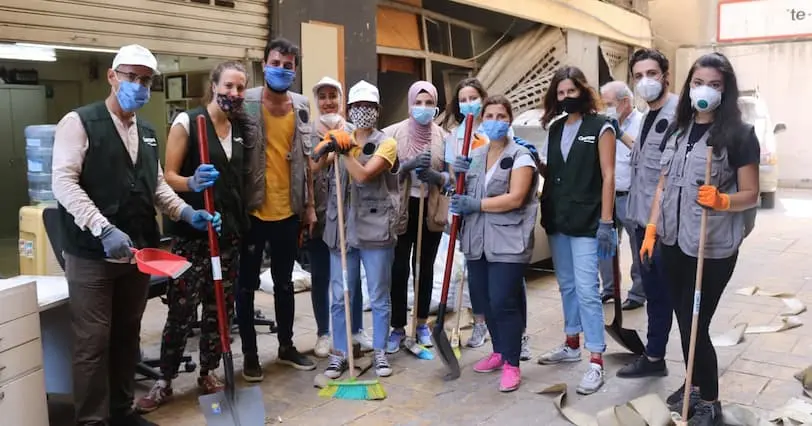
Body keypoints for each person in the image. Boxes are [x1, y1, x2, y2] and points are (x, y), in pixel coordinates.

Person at [51, 44, 221, 426]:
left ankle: (122, 410)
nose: (139, 86)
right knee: (93, 341)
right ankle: (92, 420)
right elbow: (63, 183)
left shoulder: (145, 130)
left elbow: (156, 186)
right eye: (132, 77)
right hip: (92, 254)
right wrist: (102, 227)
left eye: (146, 80)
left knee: (128, 334)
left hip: (138, 253)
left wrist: (187, 211)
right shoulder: (79, 122)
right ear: (113, 77)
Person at [642, 52, 759, 425]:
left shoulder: (739, 135)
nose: (704, 90)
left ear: (725, 90)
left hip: (712, 248)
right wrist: (651, 229)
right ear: (688, 86)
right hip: (673, 243)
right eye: (698, 83)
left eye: (713, 84)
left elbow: (751, 193)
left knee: (696, 325)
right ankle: (693, 385)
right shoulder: (678, 129)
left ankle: (709, 400)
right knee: (683, 320)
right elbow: (662, 184)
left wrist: (723, 199)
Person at [135, 61, 257, 412]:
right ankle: (165, 381)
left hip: (228, 234)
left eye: (240, 88)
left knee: (220, 309)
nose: (234, 94)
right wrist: (190, 183)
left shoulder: (237, 128)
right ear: (213, 85)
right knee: (181, 311)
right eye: (228, 86)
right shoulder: (188, 122)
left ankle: (207, 372)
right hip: (192, 235)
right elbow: (166, 176)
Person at [238, 37, 317, 380]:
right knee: (246, 284)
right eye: (276, 63)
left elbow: (306, 160)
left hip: (288, 210)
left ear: (295, 70)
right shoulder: (247, 102)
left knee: (285, 283)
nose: (281, 70)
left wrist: (310, 206)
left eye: (288, 66)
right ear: (264, 63)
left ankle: (286, 347)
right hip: (252, 211)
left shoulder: (300, 106)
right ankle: (251, 355)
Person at [536, 65, 617, 395]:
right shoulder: (555, 129)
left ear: (584, 91)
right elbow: (556, 171)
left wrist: (607, 222)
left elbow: (609, 176)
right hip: (558, 218)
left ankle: (595, 359)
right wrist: (535, 163)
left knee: (587, 289)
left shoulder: (602, 127)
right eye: (560, 93)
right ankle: (571, 344)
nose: (566, 97)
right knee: (567, 285)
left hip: (587, 222)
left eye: (571, 91)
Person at [450, 95, 538, 392]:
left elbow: (515, 198)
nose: (495, 121)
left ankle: (512, 363)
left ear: (509, 120)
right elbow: (460, 190)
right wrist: (455, 172)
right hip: (477, 241)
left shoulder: (521, 155)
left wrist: (475, 204)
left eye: (501, 116)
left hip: (508, 242)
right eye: (489, 116)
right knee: (484, 302)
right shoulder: (476, 155)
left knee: (503, 301)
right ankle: (499, 351)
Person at [312, 80, 400, 379]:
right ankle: (339, 353)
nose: (363, 111)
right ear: (349, 109)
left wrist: (345, 151)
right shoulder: (341, 137)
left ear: (377, 110)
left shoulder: (386, 143)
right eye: (358, 107)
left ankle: (379, 352)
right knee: (339, 295)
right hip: (342, 231)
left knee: (378, 295)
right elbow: (314, 168)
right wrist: (327, 147)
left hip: (376, 232)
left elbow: (363, 175)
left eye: (369, 107)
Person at [615, 48, 679, 379]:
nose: (645, 81)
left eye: (651, 74)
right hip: (642, 220)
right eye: (638, 76)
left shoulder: (678, 112)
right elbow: (643, 157)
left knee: (665, 294)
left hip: (664, 225)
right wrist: (617, 131)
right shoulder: (648, 114)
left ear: (665, 75)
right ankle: (655, 357)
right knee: (654, 293)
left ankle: (659, 359)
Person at [383, 81, 449, 353]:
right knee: (398, 270)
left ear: (435, 106)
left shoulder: (443, 137)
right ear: (410, 103)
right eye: (418, 102)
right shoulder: (392, 134)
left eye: (428, 103)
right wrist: (405, 167)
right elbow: (383, 174)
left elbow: (452, 176)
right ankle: (398, 326)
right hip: (401, 209)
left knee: (423, 268)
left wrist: (438, 177)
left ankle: (421, 322)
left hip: (429, 209)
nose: (423, 108)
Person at [307, 76, 370, 357]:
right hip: (319, 213)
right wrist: (308, 207)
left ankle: (355, 329)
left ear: (341, 99)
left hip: (349, 213)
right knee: (321, 275)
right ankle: (324, 333)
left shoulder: (354, 131)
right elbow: (309, 170)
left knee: (351, 274)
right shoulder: (308, 132)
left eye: (333, 95)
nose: (328, 101)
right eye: (322, 96)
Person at [598, 81, 645, 309]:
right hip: (608, 195)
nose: (606, 109)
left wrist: (621, 134)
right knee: (605, 244)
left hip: (631, 195)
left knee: (638, 246)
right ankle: (609, 289)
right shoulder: (604, 124)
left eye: (609, 104)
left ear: (625, 102)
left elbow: (643, 154)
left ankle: (637, 293)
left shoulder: (643, 123)